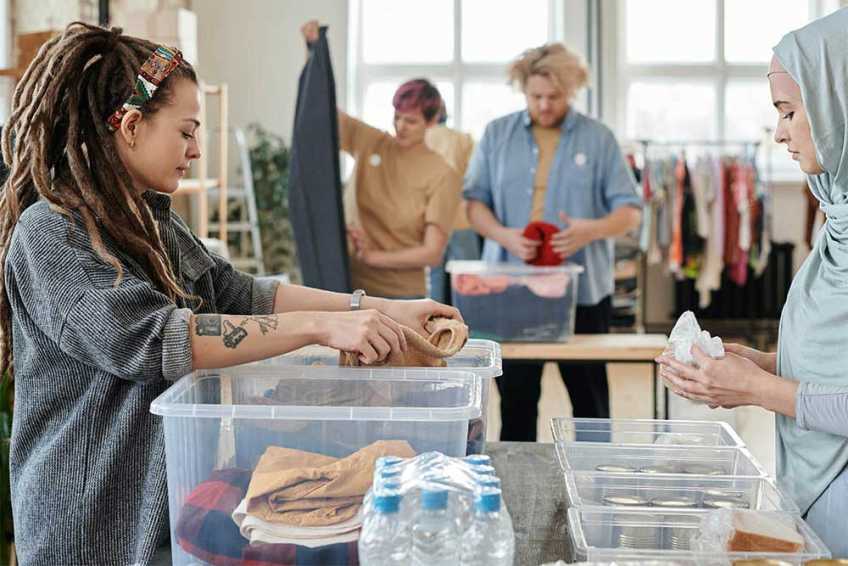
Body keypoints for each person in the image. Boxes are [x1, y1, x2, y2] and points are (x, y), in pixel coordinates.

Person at [2, 23, 460, 564]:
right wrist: (321, 326)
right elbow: (160, 341)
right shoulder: (52, 233)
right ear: (129, 125)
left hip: (157, 507)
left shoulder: (151, 222)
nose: (196, 149)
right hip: (88, 522)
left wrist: (380, 307)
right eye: (187, 130)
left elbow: (237, 292)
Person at [657, 8, 848, 557]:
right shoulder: (837, 216)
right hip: (819, 486)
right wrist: (756, 364)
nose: (779, 130)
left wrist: (757, 390)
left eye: (790, 111)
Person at [464, 43, 642, 441]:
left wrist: (590, 230)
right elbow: (473, 205)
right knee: (517, 402)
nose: (544, 105)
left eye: (554, 97)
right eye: (535, 96)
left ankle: (593, 481)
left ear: (573, 91)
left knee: (590, 404)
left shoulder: (599, 139)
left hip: (583, 295)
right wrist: (504, 235)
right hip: (512, 292)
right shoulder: (496, 135)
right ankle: (518, 492)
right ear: (523, 90)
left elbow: (631, 211)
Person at [305, 15, 462, 300]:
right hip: (346, 284)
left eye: (411, 121)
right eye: (397, 117)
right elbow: (326, 112)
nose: (400, 126)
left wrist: (374, 257)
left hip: (402, 296)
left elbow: (432, 252)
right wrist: (315, 53)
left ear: (431, 121)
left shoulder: (442, 174)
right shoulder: (373, 142)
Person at [424, 101, 481, 304]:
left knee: (434, 279)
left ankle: (433, 327)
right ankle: (470, 324)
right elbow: (475, 179)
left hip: (430, 221)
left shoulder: (419, 139)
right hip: (461, 219)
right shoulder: (463, 139)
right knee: (469, 279)